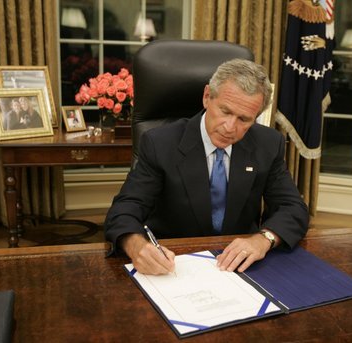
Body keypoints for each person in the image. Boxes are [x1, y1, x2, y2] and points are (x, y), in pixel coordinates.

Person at [105, 59, 309, 275]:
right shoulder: (160, 143)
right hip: (173, 264)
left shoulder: (268, 143)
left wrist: (263, 239)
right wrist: (137, 247)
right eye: (225, 111)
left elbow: (293, 208)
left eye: (244, 119)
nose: (230, 127)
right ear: (206, 97)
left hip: (238, 265)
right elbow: (123, 211)